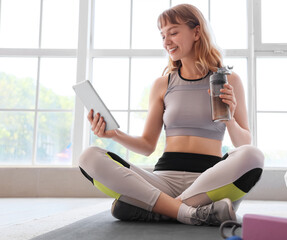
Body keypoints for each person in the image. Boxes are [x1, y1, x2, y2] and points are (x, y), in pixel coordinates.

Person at [78, 3, 264, 226]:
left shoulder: (228, 80)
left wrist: (230, 117)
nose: (166, 42)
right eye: (163, 35)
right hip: (163, 180)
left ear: (196, 32)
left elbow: (243, 143)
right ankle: (194, 212)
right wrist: (114, 134)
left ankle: (157, 208)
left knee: (253, 155)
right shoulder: (162, 85)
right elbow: (147, 145)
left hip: (208, 181)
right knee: (89, 157)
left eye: (173, 32)